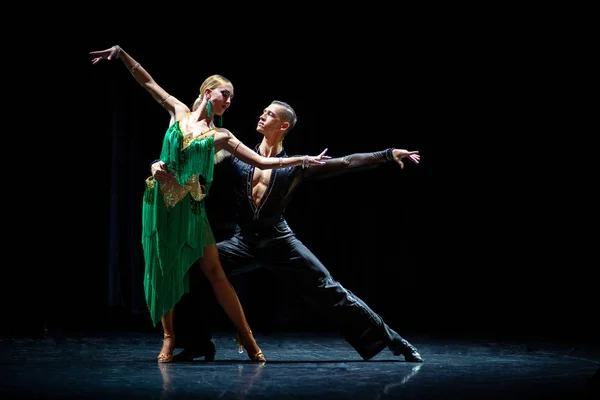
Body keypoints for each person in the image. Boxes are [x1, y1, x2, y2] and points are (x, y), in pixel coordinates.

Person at [89, 45, 330, 363]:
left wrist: (304, 159)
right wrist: (121, 55)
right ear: (208, 91)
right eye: (225, 94)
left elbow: (262, 160)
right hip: (161, 201)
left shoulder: (222, 136)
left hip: (189, 206)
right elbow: (145, 81)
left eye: (231, 98)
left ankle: (247, 336)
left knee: (215, 272)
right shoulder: (177, 111)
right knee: (166, 271)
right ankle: (169, 337)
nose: (229, 102)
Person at [151, 100, 424, 363]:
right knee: (188, 269)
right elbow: (190, 158)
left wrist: (388, 154)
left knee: (329, 290)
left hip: (279, 241)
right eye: (263, 111)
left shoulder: (295, 164)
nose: (261, 115)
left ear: (283, 126)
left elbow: (346, 162)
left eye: (268, 114)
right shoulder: (237, 157)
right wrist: (159, 165)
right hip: (243, 242)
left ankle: (392, 340)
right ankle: (199, 343)